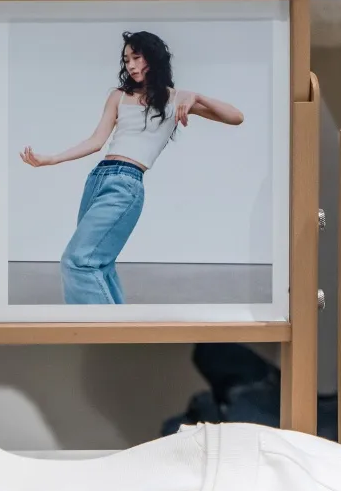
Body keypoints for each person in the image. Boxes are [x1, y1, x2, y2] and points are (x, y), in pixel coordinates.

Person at [20, 30, 244, 304]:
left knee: (77, 261)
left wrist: (197, 97)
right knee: (99, 262)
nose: (131, 65)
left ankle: (101, 330)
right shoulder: (118, 96)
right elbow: (96, 140)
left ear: (153, 58)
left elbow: (236, 117)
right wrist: (51, 159)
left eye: (136, 57)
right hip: (98, 179)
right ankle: (115, 328)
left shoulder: (176, 99)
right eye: (126, 60)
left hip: (126, 183)